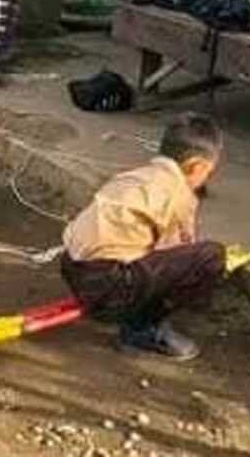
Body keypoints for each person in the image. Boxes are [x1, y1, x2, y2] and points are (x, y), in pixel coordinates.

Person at [60, 113, 226, 362]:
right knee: (210, 256)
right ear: (196, 167)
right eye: (208, 172)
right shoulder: (178, 193)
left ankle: (110, 304)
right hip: (109, 284)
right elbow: (178, 250)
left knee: (134, 248)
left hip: (72, 267)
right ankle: (142, 328)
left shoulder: (135, 176)